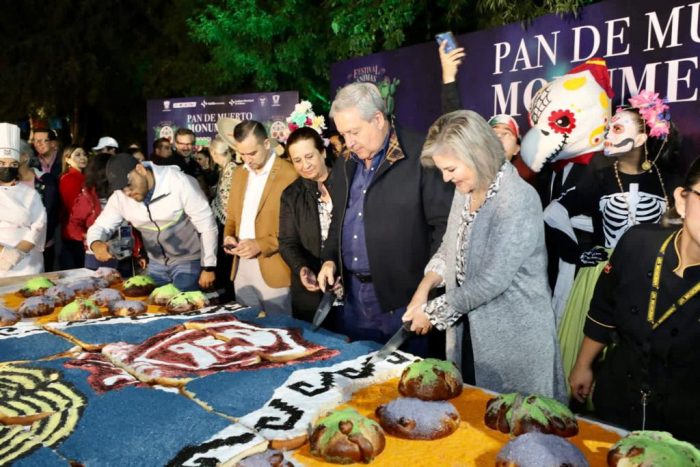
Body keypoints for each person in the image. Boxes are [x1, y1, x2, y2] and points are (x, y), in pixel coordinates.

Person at [402, 110, 565, 400]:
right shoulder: (466, 188)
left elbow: (492, 280)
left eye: (450, 169)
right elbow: (449, 246)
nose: (445, 177)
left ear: (477, 154)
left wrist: (432, 312)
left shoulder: (518, 198)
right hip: (469, 334)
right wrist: (423, 290)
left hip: (514, 341)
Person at [546, 91, 680, 388]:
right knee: (588, 356)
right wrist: (577, 252)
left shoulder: (665, 178)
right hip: (603, 275)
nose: (608, 134)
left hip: (653, 277)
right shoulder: (600, 176)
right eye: (609, 128)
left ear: (642, 139)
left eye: (617, 128)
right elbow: (553, 213)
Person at [569, 157, 700, 444]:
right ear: (682, 199)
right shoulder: (638, 242)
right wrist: (583, 364)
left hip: (682, 429)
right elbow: (604, 307)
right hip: (616, 401)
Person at [316, 82, 452, 357]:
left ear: (378, 119)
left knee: (408, 387)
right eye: (343, 134)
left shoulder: (420, 155)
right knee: (360, 382)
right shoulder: (346, 160)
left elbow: (445, 230)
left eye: (354, 132)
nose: (349, 142)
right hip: (354, 299)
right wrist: (330, 258)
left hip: (404, 301)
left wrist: (431, 297)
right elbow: (338, 217)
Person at [87, 153, 217, 291]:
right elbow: (100, 226)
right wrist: (95, 244)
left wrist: (208, 267)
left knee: (182, 304)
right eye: (122, 189)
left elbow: (207, 225)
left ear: (140, 169)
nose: (127, 192)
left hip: (189, 260)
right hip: (155, 263)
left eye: (129, 185)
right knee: (154, 304)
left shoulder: (179, 182)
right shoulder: (119, 198)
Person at [223, 120, 298, 315]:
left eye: (252, 153)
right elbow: (231, 217)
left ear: (266, 144)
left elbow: (296, 230)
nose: (247, 159)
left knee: (282, 333)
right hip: (241, 267)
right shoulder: (239, 173)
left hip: (275, 266)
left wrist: (260, 244)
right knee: (245, 333)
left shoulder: (289, 174)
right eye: (242, 154)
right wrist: (228, 236)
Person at [279, 126, 334, 322]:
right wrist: (301, 268)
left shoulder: (348, 182)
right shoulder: (291, 195)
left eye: (309, 156)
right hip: (311, 294)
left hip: (350, 290)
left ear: (323, 152)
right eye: (297, 160)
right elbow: (287, 242)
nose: (304, 165)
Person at [68, 153, 140, 277]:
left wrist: (139, 251)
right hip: (98, 255)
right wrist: (90, 239)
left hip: (124, 254)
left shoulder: (124, 194)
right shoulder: (87, 197)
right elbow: (73, 226)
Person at [0, 123, 47, 277]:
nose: (7, 167)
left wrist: (19, 251)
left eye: (13, 164)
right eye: (2, 164)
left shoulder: (29, 193)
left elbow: (39, 223)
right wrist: (4, 253)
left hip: (28, 262)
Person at [209, 134, 239, 300]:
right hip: (224, 223)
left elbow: (228, 202)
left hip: (228, 225)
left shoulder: (231, 169)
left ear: (213, 152)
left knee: (227, 265)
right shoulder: (226, 168)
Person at [58, 146, 88, 269]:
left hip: (82, 232)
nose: (83, 157)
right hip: (76, 234)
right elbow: (72, 208)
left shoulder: (82, 177)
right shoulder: (69, 179)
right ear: (67, 159)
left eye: (84, 154)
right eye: (78, 154)